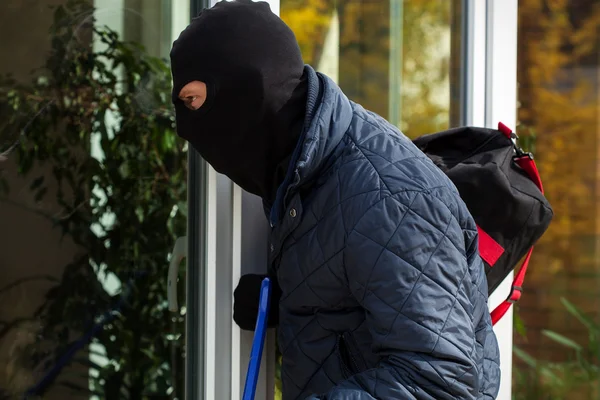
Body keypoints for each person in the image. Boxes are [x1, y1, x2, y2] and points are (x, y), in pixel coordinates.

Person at [170, 1, 501, 399]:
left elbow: (437, 382)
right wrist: (292, 297)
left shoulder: (389, 194)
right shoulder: (301, 168)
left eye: (193, 101)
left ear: (247, 87)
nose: (185, 126)